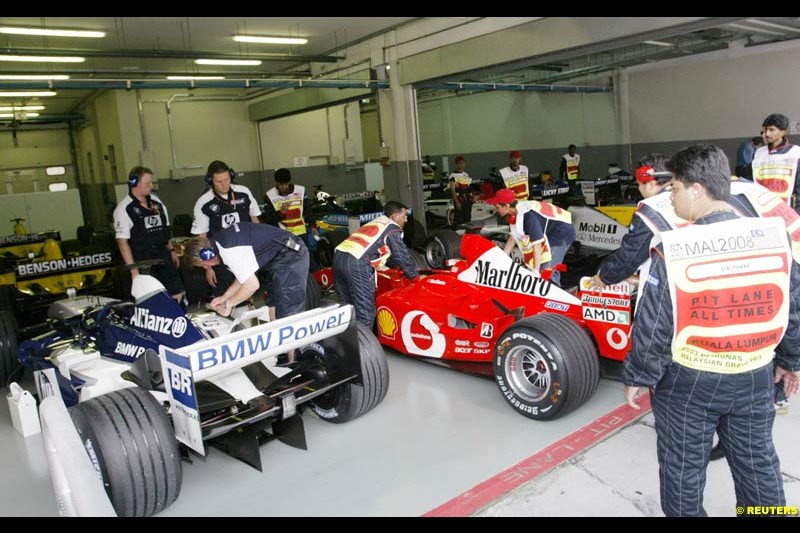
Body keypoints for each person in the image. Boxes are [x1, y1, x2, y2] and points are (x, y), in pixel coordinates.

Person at [623, 144, 800, 517]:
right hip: (755, 375)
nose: (670, 198)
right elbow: (792, 302)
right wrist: (790, 359)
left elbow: (654, 322)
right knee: (759, 466)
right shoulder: (774, 237)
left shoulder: (676, 248)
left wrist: (641, 373)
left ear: (697, 189)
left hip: (689, 383)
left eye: (674, 188)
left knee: (683, 474)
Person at [588, 153, 686, 294]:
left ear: (651, 184)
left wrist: (604, 276)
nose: (639, 189)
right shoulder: (686, 197)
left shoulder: (651, 208)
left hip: (666, 289)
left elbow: (632, 252)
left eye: (639, 184)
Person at [332, 201, 419, 327]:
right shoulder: (392, 227)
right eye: (404, 215)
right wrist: (415, 277)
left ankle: (348, 342)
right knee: (366, 312)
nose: (406, 219)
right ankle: (364, 345)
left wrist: (396, 266)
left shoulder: (377, 222)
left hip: (338, 258)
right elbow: (402, 255)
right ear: (394, 216)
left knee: (348, 308)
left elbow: (383, 252)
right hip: (357, 262)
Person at [113, 166, 185, 304]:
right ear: (134, 183)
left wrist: (171, 251)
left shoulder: (156, 203)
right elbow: (122, 242)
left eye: (151, 182)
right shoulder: (124, 209)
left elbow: (165, 230)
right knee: (152, 297)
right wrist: (134, 271)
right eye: (147, 183)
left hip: (163, 254)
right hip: (143, 258)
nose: (151, 186)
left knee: (176, 291)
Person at [191, 160, 261, 299]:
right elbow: (201, 238)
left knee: (249, 293)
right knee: (225, 296)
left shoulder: (244, 192)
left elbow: (255, 222)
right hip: (221, 260)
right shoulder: (204, 202)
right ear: (210, 181)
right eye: (219, 181)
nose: (224, 185)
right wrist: (208, 267)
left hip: (247, 254)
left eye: (227, 179)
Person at [487, 188, 575, 287]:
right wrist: (500, 259)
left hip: (561, 232)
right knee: (542, 266)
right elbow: (513, 238)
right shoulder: (516, 212)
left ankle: (555, 296)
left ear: (506, 206)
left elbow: (537, 243)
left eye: (497, 207)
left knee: (548, 269)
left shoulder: (528, 215)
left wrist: (536, 271)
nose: (496, 210)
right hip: (550, 231)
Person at [261, 167, 318, 261]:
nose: (284, 187)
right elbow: (268, 219)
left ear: (289, 181)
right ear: (276, 182)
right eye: (281, 185)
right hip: (283, 236)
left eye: (286, 184)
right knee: (289, 260)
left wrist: (312, 225)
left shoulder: (301, 190)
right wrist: (281, 213)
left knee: (306, 258)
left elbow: (308, 209)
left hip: (301, 233)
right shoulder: (269, 195)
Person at [752, 113, 800, 210]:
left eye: (771, 130)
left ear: (782, 132)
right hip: (762, 209)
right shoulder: (758, 153)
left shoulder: (795, 153)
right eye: (765, 130)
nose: (767, 134)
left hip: (788, 210)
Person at [449, 155, 473, 225]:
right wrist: (457, 202)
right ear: (456, 164)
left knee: (467, 218)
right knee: (459, 219)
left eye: (463, 163)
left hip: (467, 200)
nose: (462, 165)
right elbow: (453, 191)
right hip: (460, 200)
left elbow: (468, 188)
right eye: (460, 163)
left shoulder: (466, 174)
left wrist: (471, 198)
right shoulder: (453, 176)